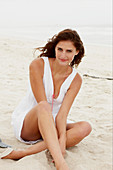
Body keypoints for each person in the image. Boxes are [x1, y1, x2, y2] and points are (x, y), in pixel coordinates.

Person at [1, 29, 92, 170]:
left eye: (69, 51)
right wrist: (60, 142)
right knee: (44, 106)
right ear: (54, 48)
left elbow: (62, 115)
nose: (63, 55)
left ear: (77, 52)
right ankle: (60, 163)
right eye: (60, 49)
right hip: (29, 122)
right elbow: (41, 103)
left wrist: (62, 139)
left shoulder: (76, 79)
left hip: (53, 123)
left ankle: (24, 153)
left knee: (85, 127)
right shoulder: (38, 65)